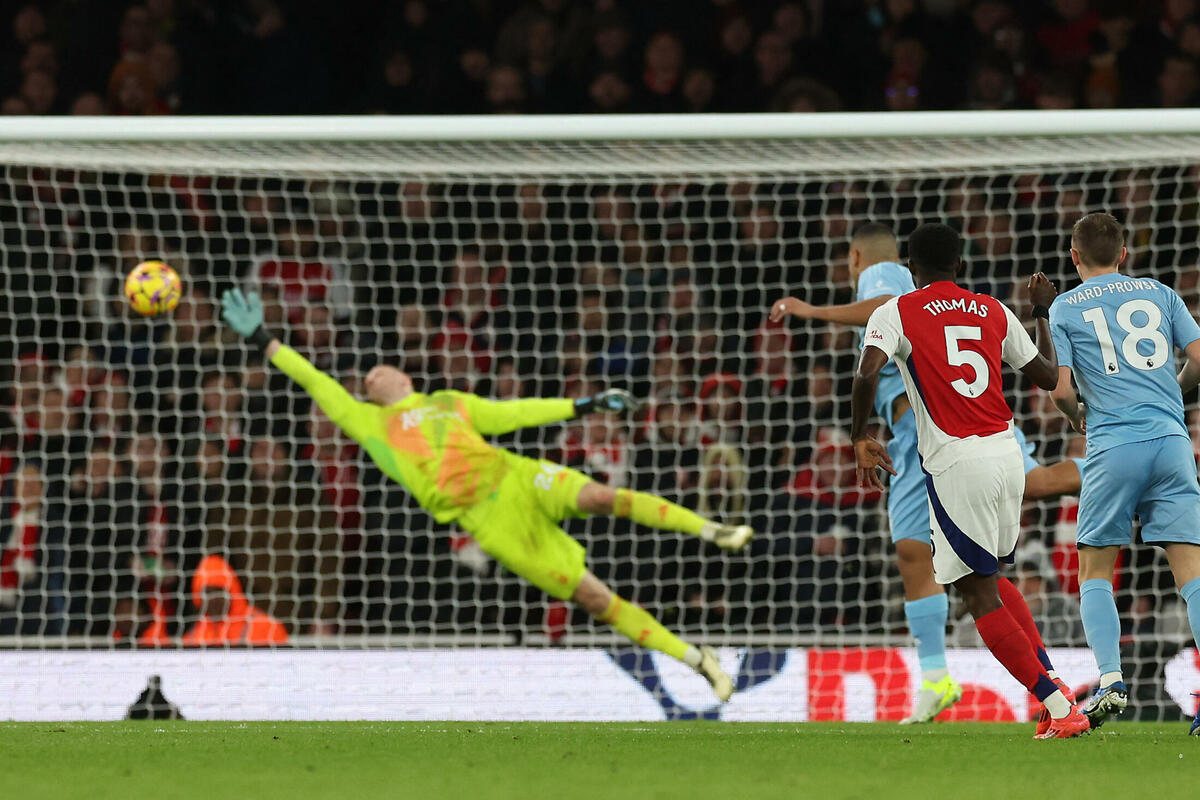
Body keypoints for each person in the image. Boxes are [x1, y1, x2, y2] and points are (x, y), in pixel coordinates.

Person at [219, 289, 752, 701]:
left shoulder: (450, 401)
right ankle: (696, 659)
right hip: (491, 523)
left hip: (515, 476)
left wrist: (582, 406)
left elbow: (513, 414)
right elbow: (316, 381)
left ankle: (711, 528)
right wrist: (264, 338)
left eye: (379, 368)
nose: (371, 375)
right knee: (595, 599)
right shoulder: (372, 425)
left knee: (601, 497)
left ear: (404, 376)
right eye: (366, 379)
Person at [770, 223, 1083, 724]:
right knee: (988, 574)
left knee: (974, 591)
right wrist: (1041, 312)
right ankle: (1050, 684)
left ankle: (1056, 703)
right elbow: (1048, 375)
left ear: (909, 269)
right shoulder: (993, 308)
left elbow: (866, 372)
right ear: (960, 264)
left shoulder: (895, 305)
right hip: (1003, 448)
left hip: (953, 458)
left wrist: (858, 435)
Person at [1047, 212, 1200, 736]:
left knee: (1095, 570)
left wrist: (1078, 416)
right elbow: (1199, 356)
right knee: (1192, 573)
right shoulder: (1159, 292)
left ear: (1074, 256)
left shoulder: (1064, 306)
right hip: (1173, 444)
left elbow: (1061, 390)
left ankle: (1111, 681)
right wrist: (1173, 394)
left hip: (1113, 447)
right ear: (1124, 254)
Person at [182, 554, 288, 646]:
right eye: (207, 592)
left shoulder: (265, 627)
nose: (213, 598)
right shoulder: (194, 635)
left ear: (232, 591)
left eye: (218, 591)